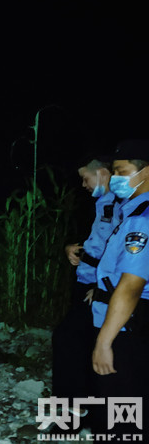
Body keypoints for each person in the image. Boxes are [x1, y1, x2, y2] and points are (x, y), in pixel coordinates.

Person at [89, 139, 149, 438]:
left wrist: (104, 343)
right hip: (131, 322)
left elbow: (131, 287)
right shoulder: (132, 213)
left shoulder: (142, 220)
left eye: (121, 171)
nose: (114, 179)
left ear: (146, 172)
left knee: (121, 415)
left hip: (128, 326)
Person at [52, 157, 122, 416]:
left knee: (68, 339)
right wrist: (72, 248)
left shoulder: (122, 204)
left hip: (100, 287)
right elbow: (100, 242)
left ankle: (75, 409)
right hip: (86, 281)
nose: (83, 184)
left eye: (86, 178)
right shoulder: (102, 202)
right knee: (78, 342)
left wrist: (105, 288)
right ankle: (81, 407)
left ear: (102, 173)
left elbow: (123, 253)